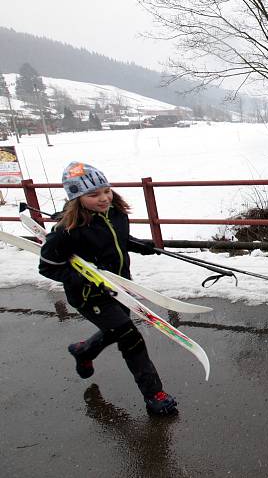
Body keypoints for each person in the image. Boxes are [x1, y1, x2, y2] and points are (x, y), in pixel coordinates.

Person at [38, 161, 178, 416]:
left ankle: (83, 351)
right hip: (90, 296)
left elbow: (118, 240)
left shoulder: (115, 213)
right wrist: (87, 278)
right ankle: (154, 395)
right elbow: (47, 267)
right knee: (130, 337)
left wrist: (141, 245)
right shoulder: (66, 231)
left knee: (117, 331)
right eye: (93, 195)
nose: (103, 198)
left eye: (106, 191)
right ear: (76, 198)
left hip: (119, 288)